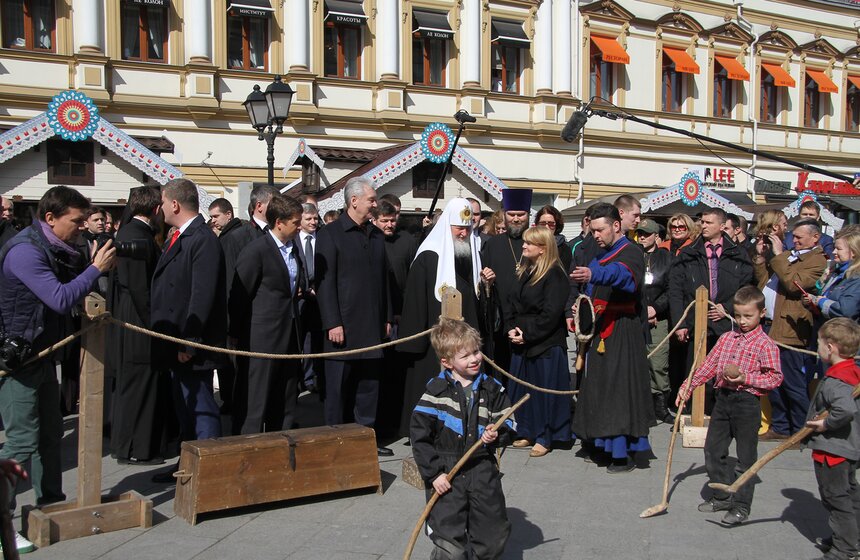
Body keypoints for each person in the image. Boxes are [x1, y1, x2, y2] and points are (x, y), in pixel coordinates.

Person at [0, 186, 116, 552]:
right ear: (50, 218)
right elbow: (61, 297)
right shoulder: (25, 251)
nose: (83, 227)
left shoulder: (55, 248)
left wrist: (88, 265)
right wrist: (96, 268)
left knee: (50, 433)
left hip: (40, 355)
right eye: (76, 221)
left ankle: (50, 504)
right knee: (21, 442)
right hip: (17, 362)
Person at [677, 286, 782, 526]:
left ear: (762, 313)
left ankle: (741, 505)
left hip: (747, 403)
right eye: (738, 316)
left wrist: (746, 378)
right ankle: (722, 495)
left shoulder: (766, 345)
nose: (743, 321)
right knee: (713, 450)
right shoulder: (727, 338)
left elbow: (775, 378)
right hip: (723, 400)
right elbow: (709, 365)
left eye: (748, 316)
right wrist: (687, 386)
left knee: (746, 456)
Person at [410, 318, 515, 560]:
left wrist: (498, 432)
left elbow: (509, 419)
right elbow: (419, 436)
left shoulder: (492, 388)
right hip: (447, 473)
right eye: (465, 355)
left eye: (476, 351)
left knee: (493, 533)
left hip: (482, 469)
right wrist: (434, 474)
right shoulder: (435, 392)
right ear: (446, 362)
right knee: (450, 542)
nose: (475, 358)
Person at [150, 178, 226, 481]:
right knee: (185, 406)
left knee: (201, 405)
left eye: (163, 202)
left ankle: (208, 467)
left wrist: (190, 342)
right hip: (176, 339)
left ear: (175, 204)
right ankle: (188, 460)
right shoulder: (182, 235)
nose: (161, 208)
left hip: (190, 342)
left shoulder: (202, 238)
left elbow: (202, 294)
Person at [570, 203, 654, 473]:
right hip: (601, 331)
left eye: (600, 229)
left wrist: (595, 274)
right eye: (592, 229)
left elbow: (624, 276)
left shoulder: (631, 252)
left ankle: (622, 454)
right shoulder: (600, 253)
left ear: (616, 226)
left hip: (622, 331)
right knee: (601, 390)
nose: (595, 234)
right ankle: (603, 445)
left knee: (618, 393)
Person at [315, 177, 393, 456]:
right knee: (338, 389)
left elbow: (383, 280)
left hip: (371, 325)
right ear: (354, 201)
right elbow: (325, 283)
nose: (375, 203)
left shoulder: (375, 235)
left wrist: (386, 317)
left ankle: (365, 439)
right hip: (343, 327)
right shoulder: (331, 234)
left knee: (369, 387)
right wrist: (332, 322)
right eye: (371, 199)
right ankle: (334, 440)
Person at [398, 198, 488, 438]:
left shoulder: (471, 253)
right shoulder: (428, 256)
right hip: (433, 339)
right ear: (447, 225)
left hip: (465, 338)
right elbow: (416, 301)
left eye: (467, 228)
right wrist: (414, 342)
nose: (463, 233)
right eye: (459, 227)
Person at [229, 195, 304, 434]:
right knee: (255, 397)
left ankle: (279, 440)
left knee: (284, 394)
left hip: (289, 333)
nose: (299, 226)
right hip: (260, 336)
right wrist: (235, 333)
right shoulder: (257, 250)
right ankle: (248, 444)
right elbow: (240, 295)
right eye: (295, 222)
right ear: (279, 222)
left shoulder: (294, 249)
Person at [108, 186, 167, 466]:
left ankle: (131, 444)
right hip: (138, 322)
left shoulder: (131, 232)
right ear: (155, 210)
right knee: (138, 385)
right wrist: (153, 325)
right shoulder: (136, 235)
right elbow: (139, 288)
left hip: (131, 316)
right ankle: (134, 448)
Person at [756, 219, 827, 439]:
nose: (793, 240)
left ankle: (799, 430)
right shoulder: (788, 256)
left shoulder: (817, 261)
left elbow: (793, 283)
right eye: (793, 236)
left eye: (799, 237)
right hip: (770, 324)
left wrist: (779, 255)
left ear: (815, 237)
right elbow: (763, 282)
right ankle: (780, 426)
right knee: (773, 382)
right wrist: (761, 258)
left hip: (790, 328)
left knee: (792, 383)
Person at [506, 226, 571, 457]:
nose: (523, 246)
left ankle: (546, 435)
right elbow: (513, 303)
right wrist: (512, 329)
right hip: (523, 339)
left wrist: (528, 334)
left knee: (544, 392)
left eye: (529, 243)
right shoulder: (526, 271)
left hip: (544, 343)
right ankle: (528, 429)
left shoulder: (555, 274)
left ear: (543, 249)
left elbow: (551, 314)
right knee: (524, 388)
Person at [805, 318, 860, 560]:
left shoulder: (836, 381)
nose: (816, 347)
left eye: (818, 342)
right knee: (849, 494)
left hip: (833, 451)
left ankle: (844, 549)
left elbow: (846, 409)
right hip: (848, 447)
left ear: (830, 348)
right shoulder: (852, 371)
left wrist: (825, 423)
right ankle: (850, 537)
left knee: (835, 499)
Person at [480, 188, 532, 370]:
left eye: (521, 214)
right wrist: (487, 281)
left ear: (528, 214)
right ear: (504, 214)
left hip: (529, 318)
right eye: (511, 214)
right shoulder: (493, 244)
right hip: (501, 318)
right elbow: (483, 281)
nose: (516, 219)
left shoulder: (537, 242)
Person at [208, 197, 249, 415]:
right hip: (231, 309)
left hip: (228, 309)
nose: (212, 220)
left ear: (228, 215)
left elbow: (230, 276)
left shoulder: (230, 239)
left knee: (228, 361)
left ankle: (230, 399)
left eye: (216, 216)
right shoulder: (235, 234)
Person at [636, 218, 674, 424]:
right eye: (639, 233)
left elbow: (671, 289)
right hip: (637, 315)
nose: (642, 237)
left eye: (646, 234)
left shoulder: (665, 258)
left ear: (656, 237)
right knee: (639, 361)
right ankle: (643, 404)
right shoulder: (634, 254)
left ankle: (661, 404)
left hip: (658, 317)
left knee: (658, 362)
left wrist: (656, 308)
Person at [294, 203, 323, 393]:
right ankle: (298, 379)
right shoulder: (294, 239)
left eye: (315, 218)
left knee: (315, 340)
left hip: (320, 298)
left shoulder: (323, 238)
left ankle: (312, 377)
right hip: (299, 299)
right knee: (299, 340)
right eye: (309, 219)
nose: (313, 222)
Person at [804, 227, 860, 322]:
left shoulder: (856, 277)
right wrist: (812, 300)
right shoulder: (837, 272)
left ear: (853, 252)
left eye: (839, 249)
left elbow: (846, 310)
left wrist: (821, 302)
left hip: (844, 333)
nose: (834, 252)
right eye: (834, 248)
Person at [534, 205, 571, 270]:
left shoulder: (564, 249)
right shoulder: (530, 244)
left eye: (551, 224)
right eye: (543, 223)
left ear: (557, 225)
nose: (547, 227)